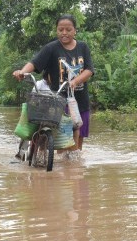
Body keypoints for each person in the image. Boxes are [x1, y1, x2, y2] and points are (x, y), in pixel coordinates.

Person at [13, 14, 94, 152]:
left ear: (75, 30)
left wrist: (75, 81)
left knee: (78, 141)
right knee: (62, 141)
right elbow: (34, 62)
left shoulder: (83, 47)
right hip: (58, 100)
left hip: (79, 100)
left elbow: (89, 70)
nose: (64, 33)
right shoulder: (51, 48)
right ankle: (58, 166)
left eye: (68, 29)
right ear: (56, 30)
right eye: (60, 29)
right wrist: (22, 72)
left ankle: (75, 170)